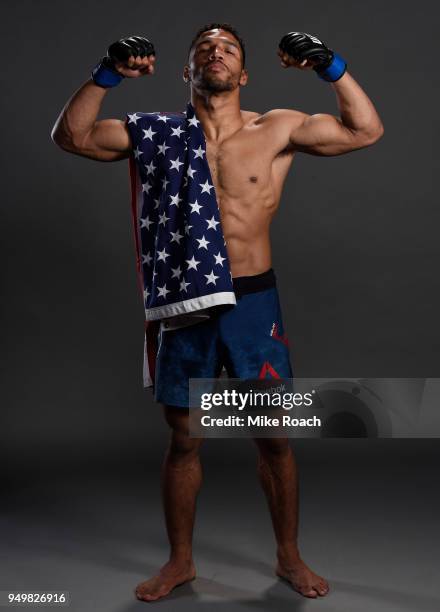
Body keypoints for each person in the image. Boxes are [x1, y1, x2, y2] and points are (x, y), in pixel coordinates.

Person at [51, 22, 384, 601]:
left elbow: (365, 131)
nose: (215, 52)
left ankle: (289, 557)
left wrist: (331, 65)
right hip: (185, 301)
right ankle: (180, 562)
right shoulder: (157, 133)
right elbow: (72, 136)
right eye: (203, 47)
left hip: (254, 302)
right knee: (184, 438)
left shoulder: (275, 126)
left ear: (244, 72)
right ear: (187, 70)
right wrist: (108, 71)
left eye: (228, 47)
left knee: (273, 436)